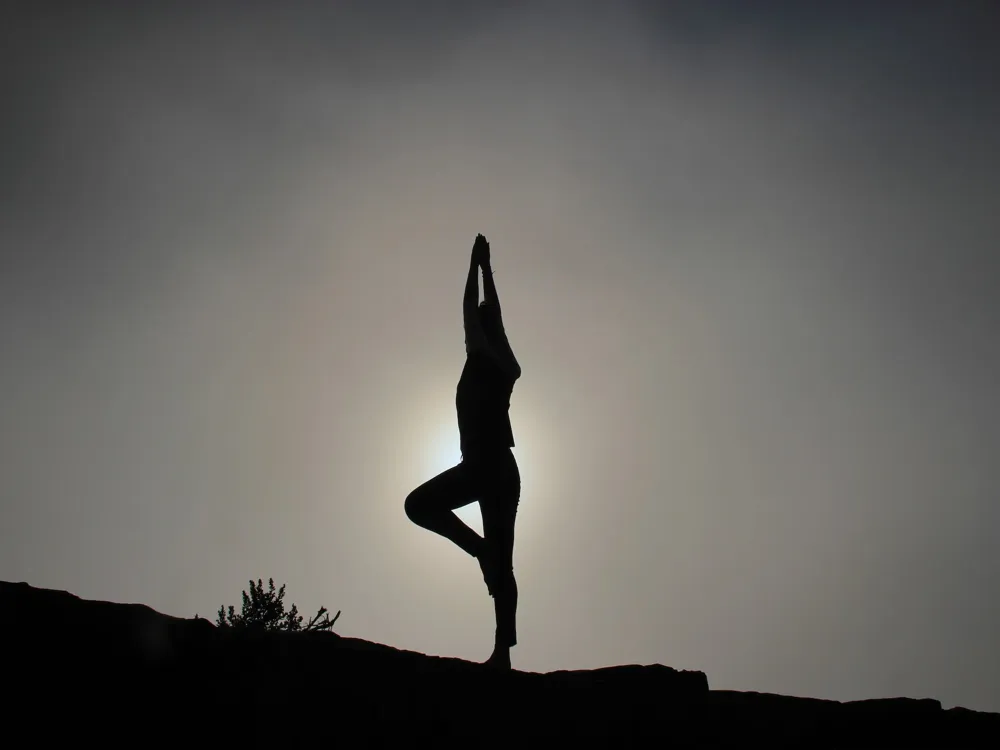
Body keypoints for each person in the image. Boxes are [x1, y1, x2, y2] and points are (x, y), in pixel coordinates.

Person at [404, 233, 522, 670]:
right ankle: (503, 653)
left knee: (417, 505)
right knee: (504, 564)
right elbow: (492, 317)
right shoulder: (508, 368)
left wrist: (475, 268)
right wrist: (487, 270)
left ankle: (480, 553)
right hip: (503, 470)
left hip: (483, 464)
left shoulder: (482, 356)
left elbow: (472, 311)